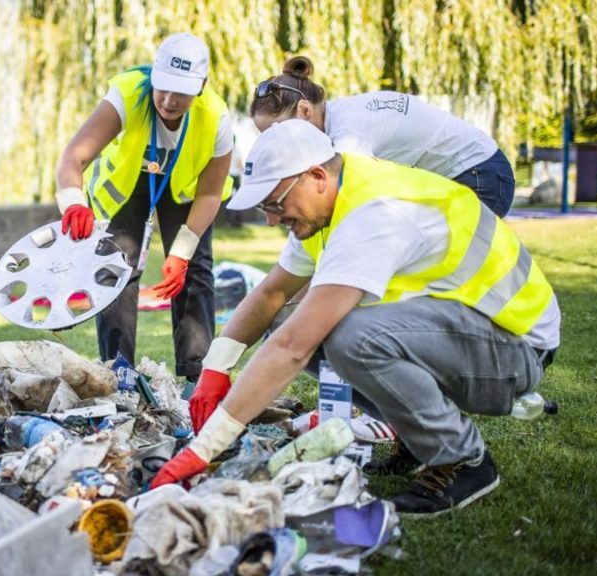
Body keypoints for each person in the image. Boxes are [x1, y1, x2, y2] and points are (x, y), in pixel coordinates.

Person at [158, 120, 560, 517]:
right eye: (265, 207)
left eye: (275, 204)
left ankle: (463, 460)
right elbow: (272, 295)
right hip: (469, 331)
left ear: (317, 177)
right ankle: (416, 434)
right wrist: (215, 368)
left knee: (350, 336)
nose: (271, 220)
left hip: (517, 348)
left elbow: (294, 347)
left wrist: (205, 448)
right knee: (288, 318)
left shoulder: (374, 214)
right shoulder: (330, 203)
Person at [55, 32, 233, 386]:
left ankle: (197, 374)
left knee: (195, 270)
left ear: (201, 86)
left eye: (181, 91)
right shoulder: (125, 96)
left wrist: (181, 252)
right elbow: (72, 158)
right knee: (116, 266)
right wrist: (74, 204)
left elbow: (211, 194)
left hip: (185, 190)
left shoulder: (216, 118)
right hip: (131, 184)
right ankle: (117, 369)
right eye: (162, 86)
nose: (168, 100)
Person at [250, 56, 516, 217]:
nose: (275, 143)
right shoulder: (340, 117)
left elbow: (341, 196)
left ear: (305, 109)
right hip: (472, 172)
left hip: (481, 176)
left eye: (278, 130)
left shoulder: (349, 133)